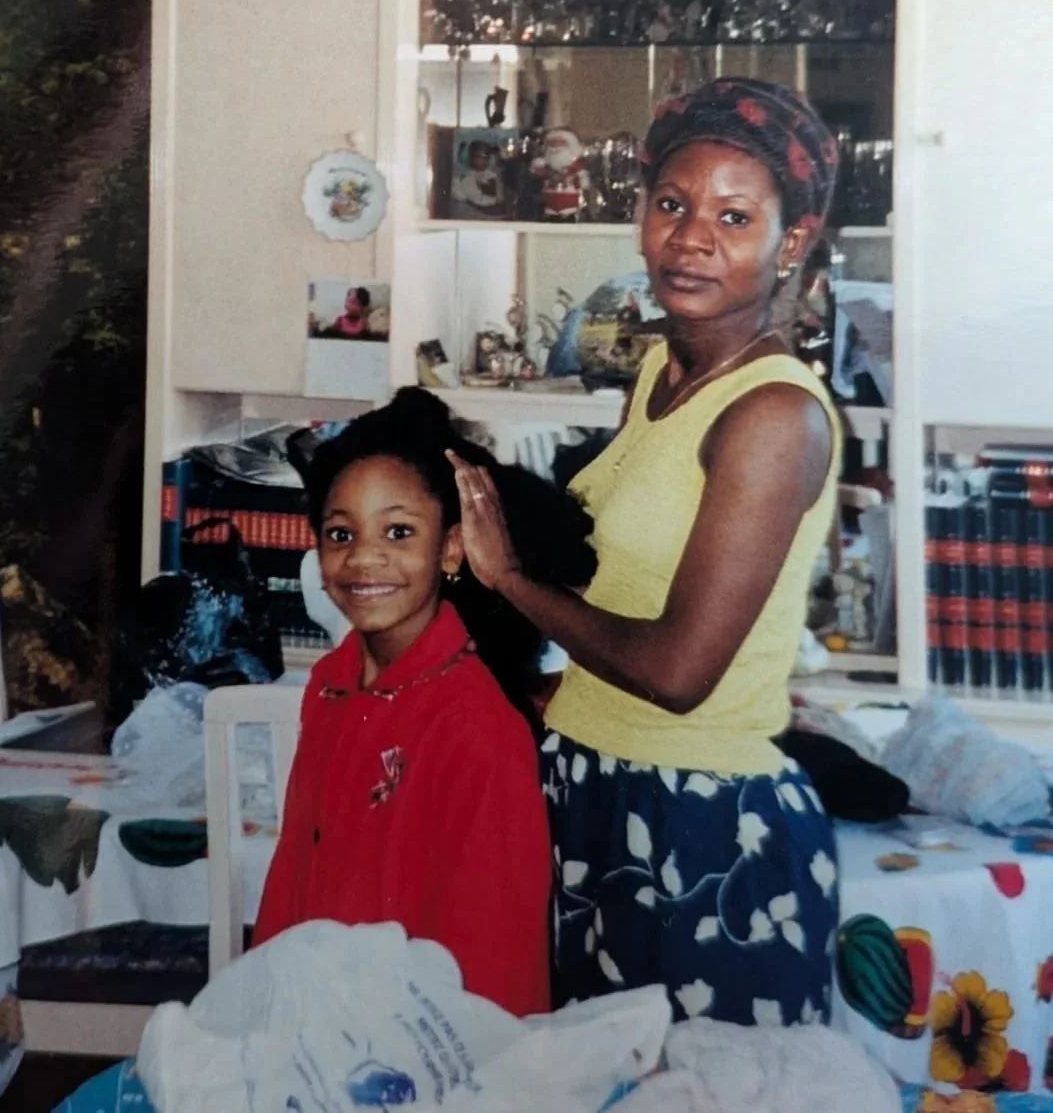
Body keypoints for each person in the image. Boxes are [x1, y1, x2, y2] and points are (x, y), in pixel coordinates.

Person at [450, 77, 843, 1029]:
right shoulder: (665, 371)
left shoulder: (772, 415)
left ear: (790, 244)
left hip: (704, 820)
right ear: (638, 216)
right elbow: (626, 585)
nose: (692, 236)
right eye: (672, 204)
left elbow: (676, 672)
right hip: (597, 783)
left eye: (733, 216)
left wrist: (509, 579)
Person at [254, 387, 597, 1017]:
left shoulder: (477, 726)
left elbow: (497, 966)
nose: (363, 557)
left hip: (425, 1058)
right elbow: (293, 874)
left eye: (399, 531)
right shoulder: (329, 688)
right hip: (318, 1033)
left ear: (451, 549)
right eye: (340, 533)